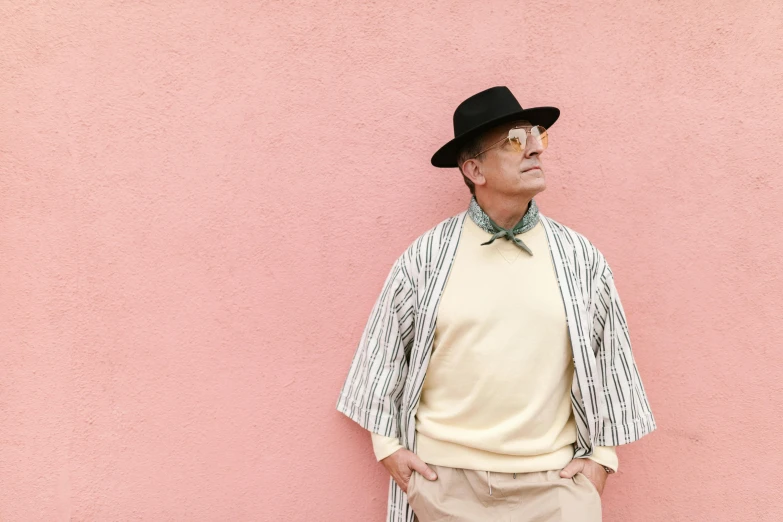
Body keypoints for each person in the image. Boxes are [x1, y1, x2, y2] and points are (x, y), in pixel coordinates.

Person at [336, 86, 656, 522]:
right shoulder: (426, 258)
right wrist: (389, 450)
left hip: (554, 486)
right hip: (445, 484)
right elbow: (382, 354)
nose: (536, 149)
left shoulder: (580, 258)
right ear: (474, 169)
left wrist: (601, 458)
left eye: (536, 134)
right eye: (515, 140)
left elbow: (612, 357)